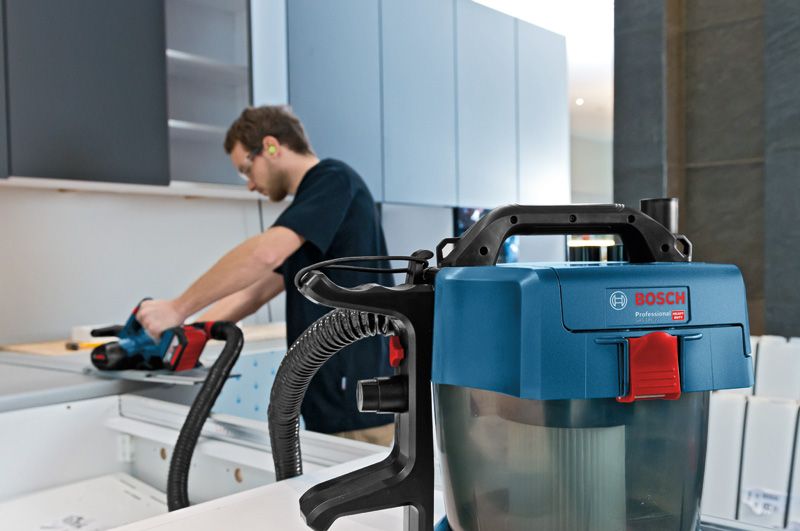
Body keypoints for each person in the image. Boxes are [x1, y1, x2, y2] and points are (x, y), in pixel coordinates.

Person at [136, 105, 395, 445]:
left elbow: (264, 253)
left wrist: (177, 307)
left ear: (271, 147)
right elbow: (253, 292)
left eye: (247, 169)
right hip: (331, 403)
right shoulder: (311, 215)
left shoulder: (333, 179)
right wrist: (187, 334)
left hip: (357, 403)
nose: (249, 185)